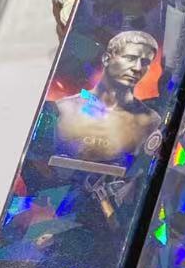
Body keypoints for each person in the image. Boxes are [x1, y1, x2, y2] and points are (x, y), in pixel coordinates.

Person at [51, 29, 161, 168]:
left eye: (145, 62)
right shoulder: (64, 107)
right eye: (130, 58)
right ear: (107, 59)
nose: (137, 68)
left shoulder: (149, 121)